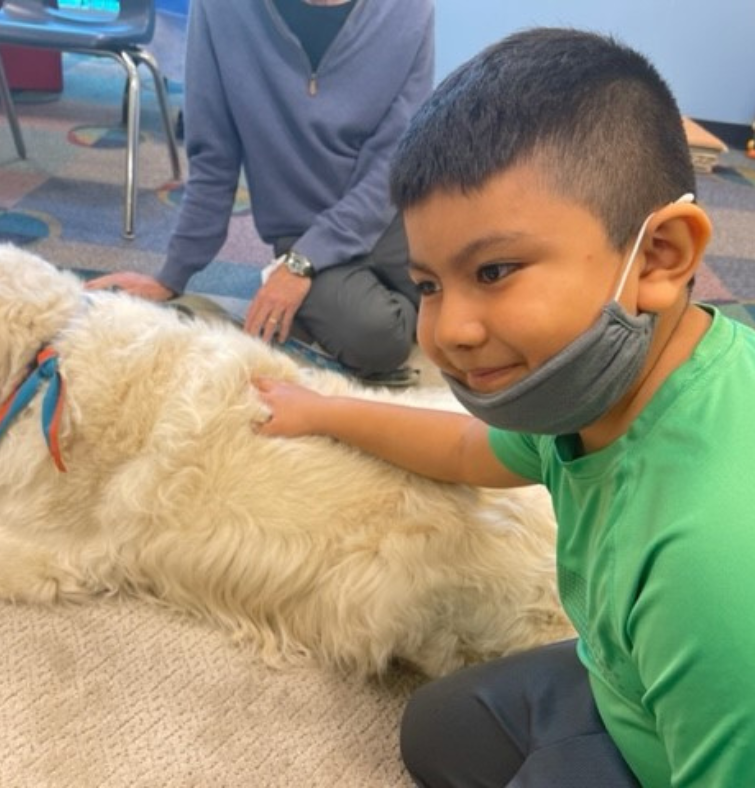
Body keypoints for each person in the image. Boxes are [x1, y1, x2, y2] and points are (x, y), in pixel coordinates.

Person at [253, 27, 755, 788]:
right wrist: (323, 411)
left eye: (494, 270)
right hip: (628, 688)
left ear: (661, 257)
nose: (449, 332)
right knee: (439, 729)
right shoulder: (595, 387)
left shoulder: (709, 565)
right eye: (428, 285)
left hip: (692, 739)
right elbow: (468, 451)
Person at [87, 0, 435, 380]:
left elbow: (392, 160)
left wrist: (306, 263)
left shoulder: (410, 8)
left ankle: (327, 304)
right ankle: (323, 296)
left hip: (393, 208)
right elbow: (213, 157)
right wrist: (171, 276)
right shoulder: (220, 10)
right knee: (378, 340)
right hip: (302, 225)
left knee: (470, 297)